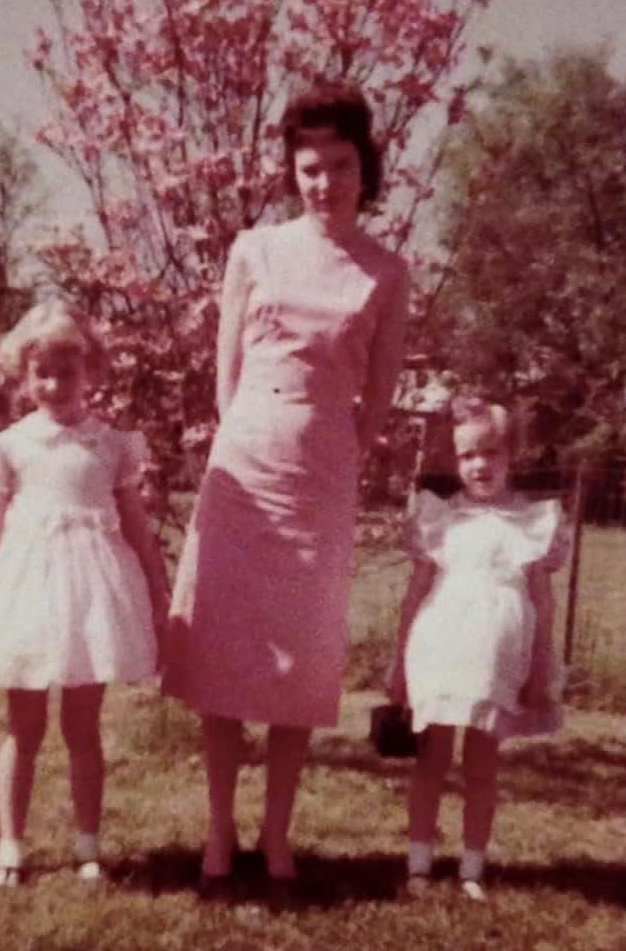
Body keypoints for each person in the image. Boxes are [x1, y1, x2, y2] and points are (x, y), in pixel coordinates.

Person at [164, 82, 410, 886]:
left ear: (362, 168)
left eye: (338, 165)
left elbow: (378, 395)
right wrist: (253, 437)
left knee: (300, 667)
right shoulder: (254, 250)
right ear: (292, 172)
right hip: (244, 471)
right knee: (225, 659)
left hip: (321, 479)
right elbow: (225, 374)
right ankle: (218, 828)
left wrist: (334, 449)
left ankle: (275, 835)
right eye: (308, 167)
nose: (323, 182)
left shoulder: (384, 270)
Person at [0, 299, 170, 887]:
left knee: (83, 726)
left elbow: (140, 534)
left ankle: (88, 843)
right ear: (24, 375)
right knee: (24, 726)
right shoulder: (10, 446)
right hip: (28, 596)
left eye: (67, 372)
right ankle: (11, 844)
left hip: (92, 597)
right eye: (41, 372)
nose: (54, 384)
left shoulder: (112, 446)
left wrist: (160, 600)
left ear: (90, 371)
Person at [389, 397, 569, 902]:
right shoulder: (440, 517)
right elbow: (415, 594)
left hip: (498, 659)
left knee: (482, 766)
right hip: (440, 649)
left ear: (512, 454)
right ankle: (419, 864)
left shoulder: (532, 523)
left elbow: (542, 602)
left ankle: (472, 868)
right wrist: (399, 664)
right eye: (467, 455)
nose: (479, 465)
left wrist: (539, 667)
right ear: (455, 459)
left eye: (490, 453)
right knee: (431, 759)